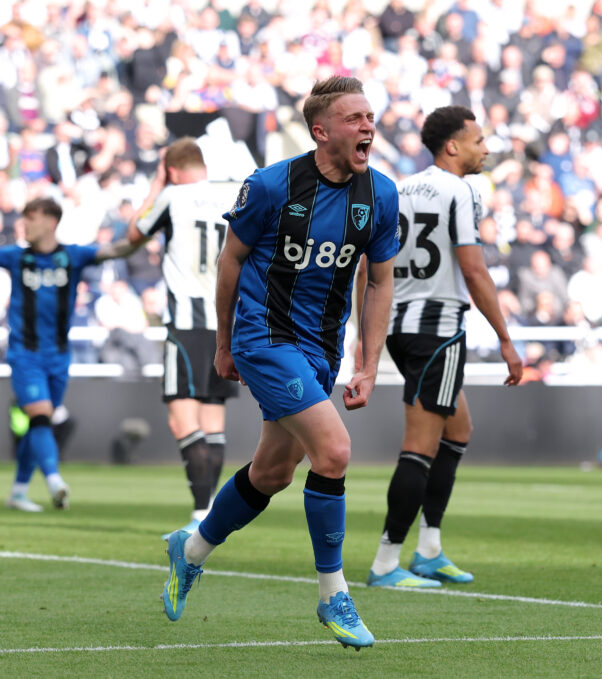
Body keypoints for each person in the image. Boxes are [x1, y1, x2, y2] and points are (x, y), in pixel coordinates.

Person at [160, 76, 400, 650]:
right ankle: (332, 595)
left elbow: (381, 280)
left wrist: (368, 361)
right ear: (321, 131)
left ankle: (189, 550)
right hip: (264, 337)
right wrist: (224, 342)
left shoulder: (381, 195)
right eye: (354, 118)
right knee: (335, 451)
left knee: (272, 474)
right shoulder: (271, 186)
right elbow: (230, 263)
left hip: (320, 349)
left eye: (370, 116)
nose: (367, 125)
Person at [366, 105, 523, 589]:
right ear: (452, 146)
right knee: (420, 446)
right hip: (437, 326)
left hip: (400, 323)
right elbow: (473, 270)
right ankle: (386, 563)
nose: (487, 148)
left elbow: (372, 268)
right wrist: (506, 339)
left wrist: (365, 346)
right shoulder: (461, 191)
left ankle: (429, 549)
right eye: (478, 140)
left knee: (459, 429)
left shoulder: (397, 189)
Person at [0, 197, 143, 511]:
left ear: (50, 221)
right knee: (42, 417)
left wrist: (148, 232)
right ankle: (55, 481)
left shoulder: (73, 255)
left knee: (39, 425)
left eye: (31, 218)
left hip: (59, 356)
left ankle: (18, 491)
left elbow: (118, 249)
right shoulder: (16, 257)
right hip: (24, 355)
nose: (24, 225)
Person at [125, 137, 240, 537]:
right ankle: (209, 514)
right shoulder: (232, 196)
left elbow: (134, 233)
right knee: (213, 422)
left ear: (172, 169)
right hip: (227, 321)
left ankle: (199, 513)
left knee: (182, 421)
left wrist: (157, 183)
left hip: (188, 321)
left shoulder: (173, 195)